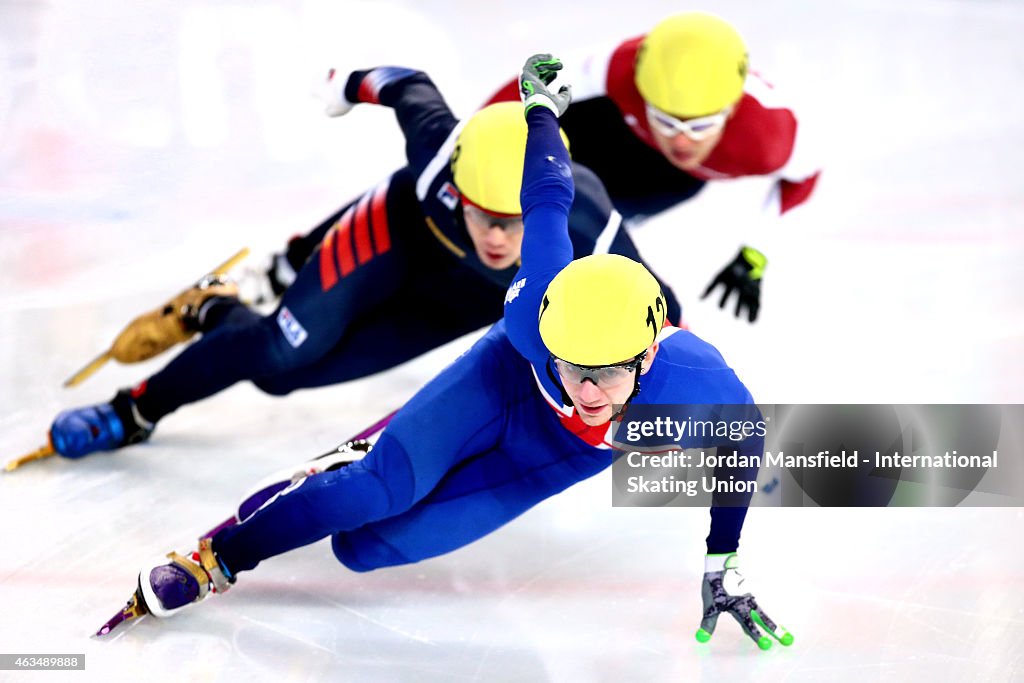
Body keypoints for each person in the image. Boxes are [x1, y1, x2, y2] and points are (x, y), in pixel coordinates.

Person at [118, 55, 792, 651]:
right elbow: (546, 192)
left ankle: (372, 463)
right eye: (575, 367)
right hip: (500, 377)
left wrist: (720, 562)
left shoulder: (697, 384)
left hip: (549, 456)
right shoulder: (535, 313)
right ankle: (218, 559)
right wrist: (541, 111)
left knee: (365, 547)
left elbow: (746, 445)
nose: (587, 389)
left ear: (646, 360)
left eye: (607, 372)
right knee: (370, 491)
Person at [46, 65, 682, 460]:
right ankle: (132, 413)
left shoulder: (585, 218)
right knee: (279, 352)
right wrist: (344, 88)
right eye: (483, 214)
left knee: (280, 379)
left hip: (457, 303)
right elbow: (406, 83)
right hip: (396, 234)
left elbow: (664, 313)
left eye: (516, 220)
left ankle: (214, 308)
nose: (497, 234)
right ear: (455, 184)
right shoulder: (439, 148)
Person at [483, 12, 821, 322]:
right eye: (667, 122)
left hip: (667, 180)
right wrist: (468, 142)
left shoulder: (771, 138)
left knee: (580, 229)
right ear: (644, 96)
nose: (682, 142)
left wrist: (756, 252)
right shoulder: (621, 68)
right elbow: (534, 85)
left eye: (700, 127)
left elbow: (804, 180)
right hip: (602, 129)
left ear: (731, 110)